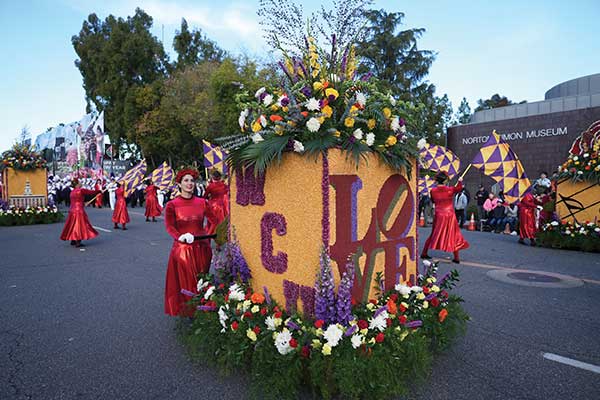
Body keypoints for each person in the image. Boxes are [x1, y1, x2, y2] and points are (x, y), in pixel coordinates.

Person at [164, 169, 218, 316]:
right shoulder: (172, 205)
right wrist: (180, 236)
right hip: (183, 249)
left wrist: (207, 235)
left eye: (192, 181)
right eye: (186, 181)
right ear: (179, 184)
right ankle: (190, 313)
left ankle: (202, 310)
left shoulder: (202, 202)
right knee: (188, 282)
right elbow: (170, 226)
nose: (190, 184)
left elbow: (214, 221)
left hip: (202, 248)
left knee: (202, 281)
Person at [420, 172, 470, 263]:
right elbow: (459, 189)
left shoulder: (433, 191)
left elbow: (433, 201)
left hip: (439, 214)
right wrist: (459, 181)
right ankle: (456, 257)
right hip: (449, 215)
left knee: (433, 234)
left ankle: (424, 253)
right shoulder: (450, 190)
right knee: (454, 235)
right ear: (445, 180)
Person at [59, 179, 100, 248]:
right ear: (77, 184)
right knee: (80, 225)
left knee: (72, 225)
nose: (81, 183)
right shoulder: (81, 190)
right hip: (79, 210)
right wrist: (98, 191)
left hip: (72, 210)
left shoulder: (72, 192)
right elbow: (91, 192)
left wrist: (83, 203)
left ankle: (73, 239)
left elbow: (75, 201)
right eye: (80, 182)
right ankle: (78, 241)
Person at [204, 169, 229, 234]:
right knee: (222, 219)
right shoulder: (224, 185)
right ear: (220, 177)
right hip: (223, 204)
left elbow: (205, 196)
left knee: (213, 220)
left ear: (212, 177)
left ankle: (213, 231)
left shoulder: (210, 186)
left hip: (213, 205)